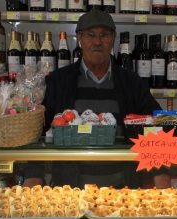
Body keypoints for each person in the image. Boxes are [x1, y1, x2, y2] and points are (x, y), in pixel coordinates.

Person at [23, 11, 167, 189]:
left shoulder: (132, 83)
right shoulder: (58, 82)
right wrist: (32, 181)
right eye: (91, 35)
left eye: (104, 35)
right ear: (79, 38)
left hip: (123, 195)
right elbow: (37, 135)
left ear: (113, 38)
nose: (98, 42)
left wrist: (163, 187)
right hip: (70, 196)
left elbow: (156, 131)